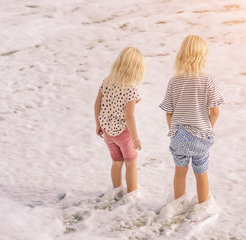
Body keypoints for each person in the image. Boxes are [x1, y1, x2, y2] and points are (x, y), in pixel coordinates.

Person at [159, 35, 224, 204]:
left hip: (179, 136)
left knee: (180, 171)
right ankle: (203, 206)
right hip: (200, 137)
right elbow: (215, 111)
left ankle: (177, 205)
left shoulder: (174, 81)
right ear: (201, 56)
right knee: (201, 172)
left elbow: (168, 112)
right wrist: (208, 127)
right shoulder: (208, 80)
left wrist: (174, 132)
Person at [94, 47, 145, 194]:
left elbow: (97, 104)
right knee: (131, 162)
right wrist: (135, 138)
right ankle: (131, 193)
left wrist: (98, 124)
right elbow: (129, 116)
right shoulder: (131, 90)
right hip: (123, 134)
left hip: (107, 132)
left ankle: (115, 192)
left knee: (116, 161)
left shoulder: (107, 81)